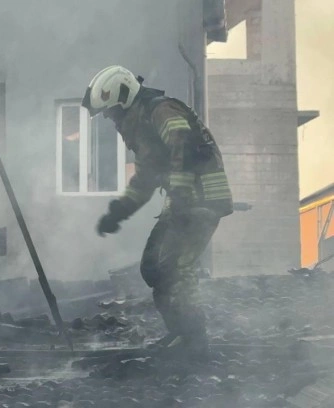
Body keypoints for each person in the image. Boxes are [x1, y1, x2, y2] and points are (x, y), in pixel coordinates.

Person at [82, 66, 233, 358]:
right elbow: (146, 178)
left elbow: (183, 143)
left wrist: (181, 192)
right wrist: (118, 212)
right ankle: (179, 333)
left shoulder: (161, 110)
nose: (111, 119)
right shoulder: (143, 127)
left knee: (176, 269)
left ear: (124, 98)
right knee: (152, 268)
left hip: (201, 201)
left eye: (110, 112)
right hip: (181, 203)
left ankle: (194, 341)